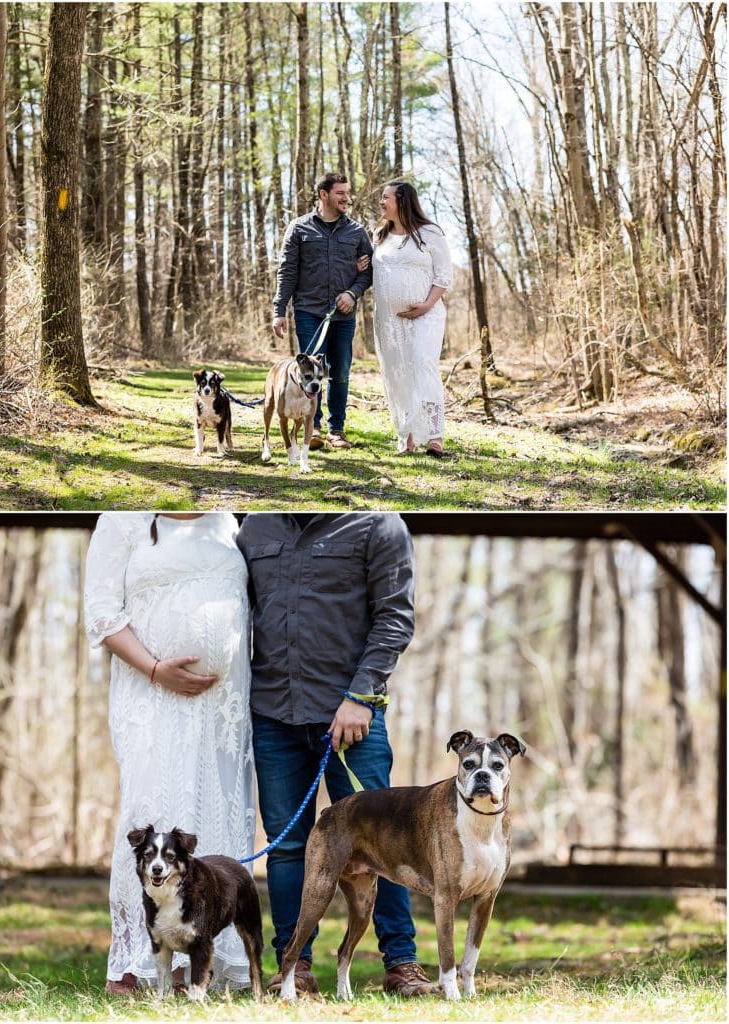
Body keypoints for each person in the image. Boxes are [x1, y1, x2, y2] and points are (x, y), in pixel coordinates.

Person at [236, 512, 434, 998]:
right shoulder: (253, 528)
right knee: (287, 847)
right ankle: (294, 967)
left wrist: (361, 696)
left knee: (388, 844)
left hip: (353, 719)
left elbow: (396, 615)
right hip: (273, 714)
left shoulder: (378, 524)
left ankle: (402, 965)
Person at [84, 512, 256, 996]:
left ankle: (206, 964)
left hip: (222, 712)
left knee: (214, 820)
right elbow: (100, 614)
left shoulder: (229, 517)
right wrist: (157, 669)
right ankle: (137, 962)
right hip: (152, 697)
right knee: (149, 814)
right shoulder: (123, 519)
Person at [272, 172, 373, 451]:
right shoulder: (299, 228)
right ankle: (312, 427)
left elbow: (369, 273)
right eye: (340, 193)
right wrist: (279, 310)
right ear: (323, 194)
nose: (346, 198)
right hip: (308, 311)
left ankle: (336, 430)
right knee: (311, 370)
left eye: (347, 193)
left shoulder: (357, 232)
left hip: (343, 315)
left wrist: (352, 293)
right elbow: (287, 271)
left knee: (339, 370)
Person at [371, 180, 453, 456]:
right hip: (389, 321)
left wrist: (426, 305)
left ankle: (434, 436)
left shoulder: (429, 233)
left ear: (402, 201)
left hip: (425, 316)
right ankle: (406, 436)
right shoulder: (380, 235)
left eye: (386, 198)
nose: (381, 202)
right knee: (397, 373)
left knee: (422, 364)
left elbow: (444, 276)